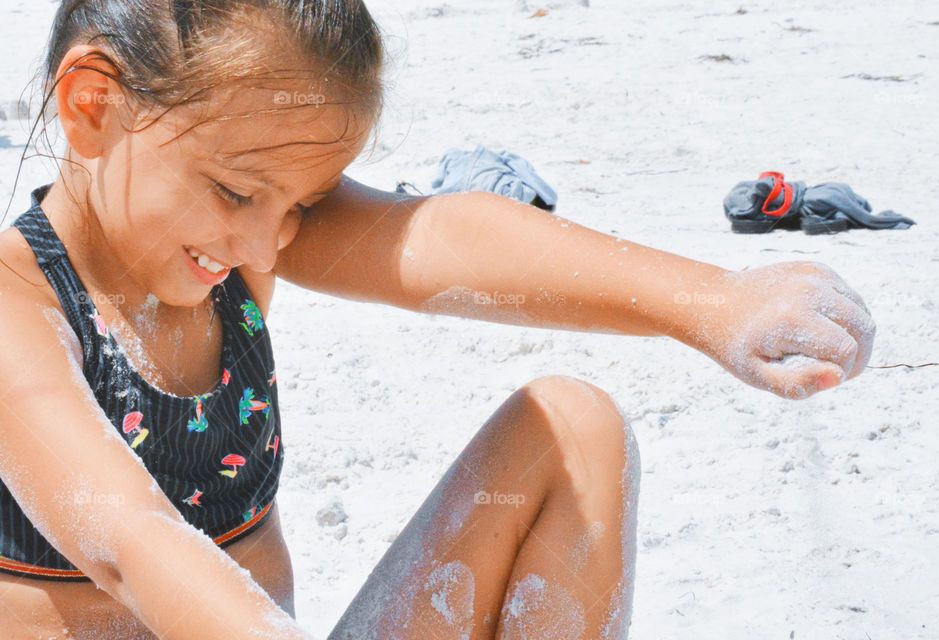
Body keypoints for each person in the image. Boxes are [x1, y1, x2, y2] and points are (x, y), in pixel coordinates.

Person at [0, 1, 875, 638]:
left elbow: (437, 238)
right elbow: (132, 540)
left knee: (573, 429)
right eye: (238, 194)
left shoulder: (230, 244)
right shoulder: (17, 303)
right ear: (93, 107)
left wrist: (713, 302)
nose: (270, 247)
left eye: (303, 206)